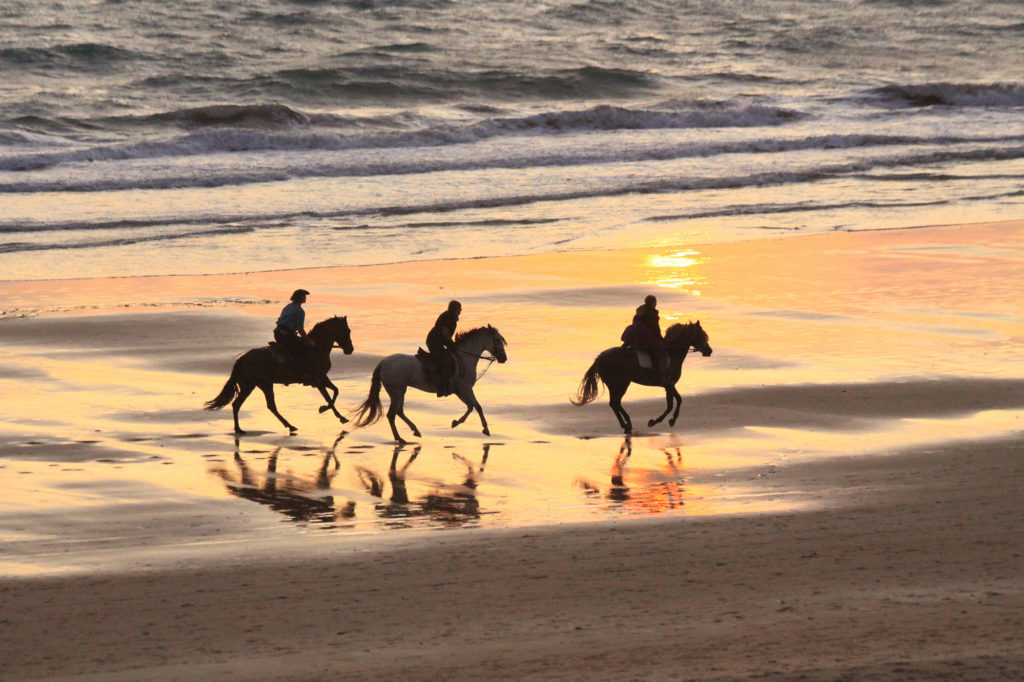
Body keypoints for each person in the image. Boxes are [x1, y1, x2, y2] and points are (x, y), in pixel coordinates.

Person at [626, 295, 666, 382]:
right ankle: (658, 373)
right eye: (655, 302)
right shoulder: (651, 314)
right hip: (646, 338)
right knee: (661, 353)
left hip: (638, 335)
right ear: (652, 303)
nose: (656, 304)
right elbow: (655, 329)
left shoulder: (641, 311)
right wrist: (661, 340)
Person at [426, 300, 461, 396]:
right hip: (434, 342)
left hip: (438, 341)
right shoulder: (449, 317)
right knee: (445, 361)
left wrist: (452, 344)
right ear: (456, 309)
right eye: (459, 309)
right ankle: (441, 386)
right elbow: (445, 333)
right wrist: (452, 344)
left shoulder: (451, 317)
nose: (461, 311)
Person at [274, 289, 311, 377]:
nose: (305, 298)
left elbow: (279, 321)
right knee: (304, 349)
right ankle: (300, 372)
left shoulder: (287, 306)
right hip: (286, 336)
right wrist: (308, 340)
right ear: (300, 298)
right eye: (304, 296)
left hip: (278, 333)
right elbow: (300, 329)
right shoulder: (300, 311)